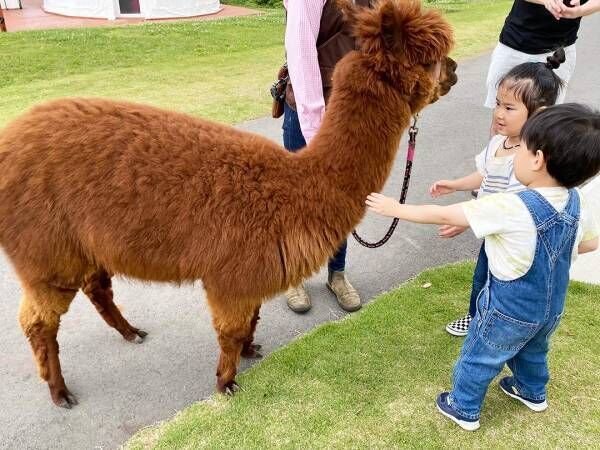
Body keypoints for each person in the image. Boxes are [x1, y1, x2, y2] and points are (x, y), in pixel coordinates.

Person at [366, 103, 600, 431]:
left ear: (538, 159)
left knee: (480, 354)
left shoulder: (513, 205)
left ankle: (463, 406)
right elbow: (589, 243)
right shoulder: (577, 200)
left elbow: (448, 215)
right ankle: (532, 392)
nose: (516, 154)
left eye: (523, 148)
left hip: (509, 308)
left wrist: (396, 208)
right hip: (551, 309)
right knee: (534, 349)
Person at [430, 49, 566, 337]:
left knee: (506, 285)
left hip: (516, 239)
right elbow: (485, 174)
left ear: (538, 114)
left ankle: (504, 326)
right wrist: (455, 184)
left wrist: (467, 220)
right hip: (493, 233)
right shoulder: (498, 143)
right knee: (482, 279)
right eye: (497, 104)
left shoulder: (532, 158)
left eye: (509, 108)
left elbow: (509, 202)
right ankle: (475, 318)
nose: (498, 113)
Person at [281, 0, 371, 313]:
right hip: (311, 111)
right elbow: (302, 58)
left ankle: (337, 273)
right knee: (300, 197)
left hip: (352, 109)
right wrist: (318, 133)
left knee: (342, 197)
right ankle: (293, 274)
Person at [485, 0, 600, 109]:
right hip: (513, 45)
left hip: (558, 54)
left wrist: (581, 10)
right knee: (504, 110)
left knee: (545, 119)